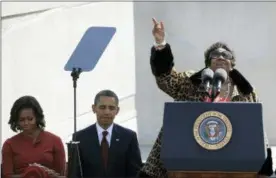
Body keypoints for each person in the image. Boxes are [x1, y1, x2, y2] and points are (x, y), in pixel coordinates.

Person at [137, 18, 273, 178]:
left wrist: (264, 168)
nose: (221, 57)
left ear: (232, 63)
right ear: (208, 62)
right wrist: (160, 44)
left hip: (232, 163)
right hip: (186, 159)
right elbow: (165, 79)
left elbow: (256, 129)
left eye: (226, 55)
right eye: (215, 55)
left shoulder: (247, 92)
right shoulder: (190, 81)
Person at [72, 89, 142, 177]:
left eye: (111, 108)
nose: (107, 112)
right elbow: (75, 173)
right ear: (94, 108)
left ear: (117, 110)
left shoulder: (129, 137)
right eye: (102, 107)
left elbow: (135, 173)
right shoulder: (79, 137)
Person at [1, 95, 66, 178]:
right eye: (22, 120)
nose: (26, 123)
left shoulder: (55, 141)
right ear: (16, 121)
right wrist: (33, 172)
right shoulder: (9, 144)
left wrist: (41, 173)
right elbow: (6, 176)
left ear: (37, 117)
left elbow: (61, 175)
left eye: (30, 119)